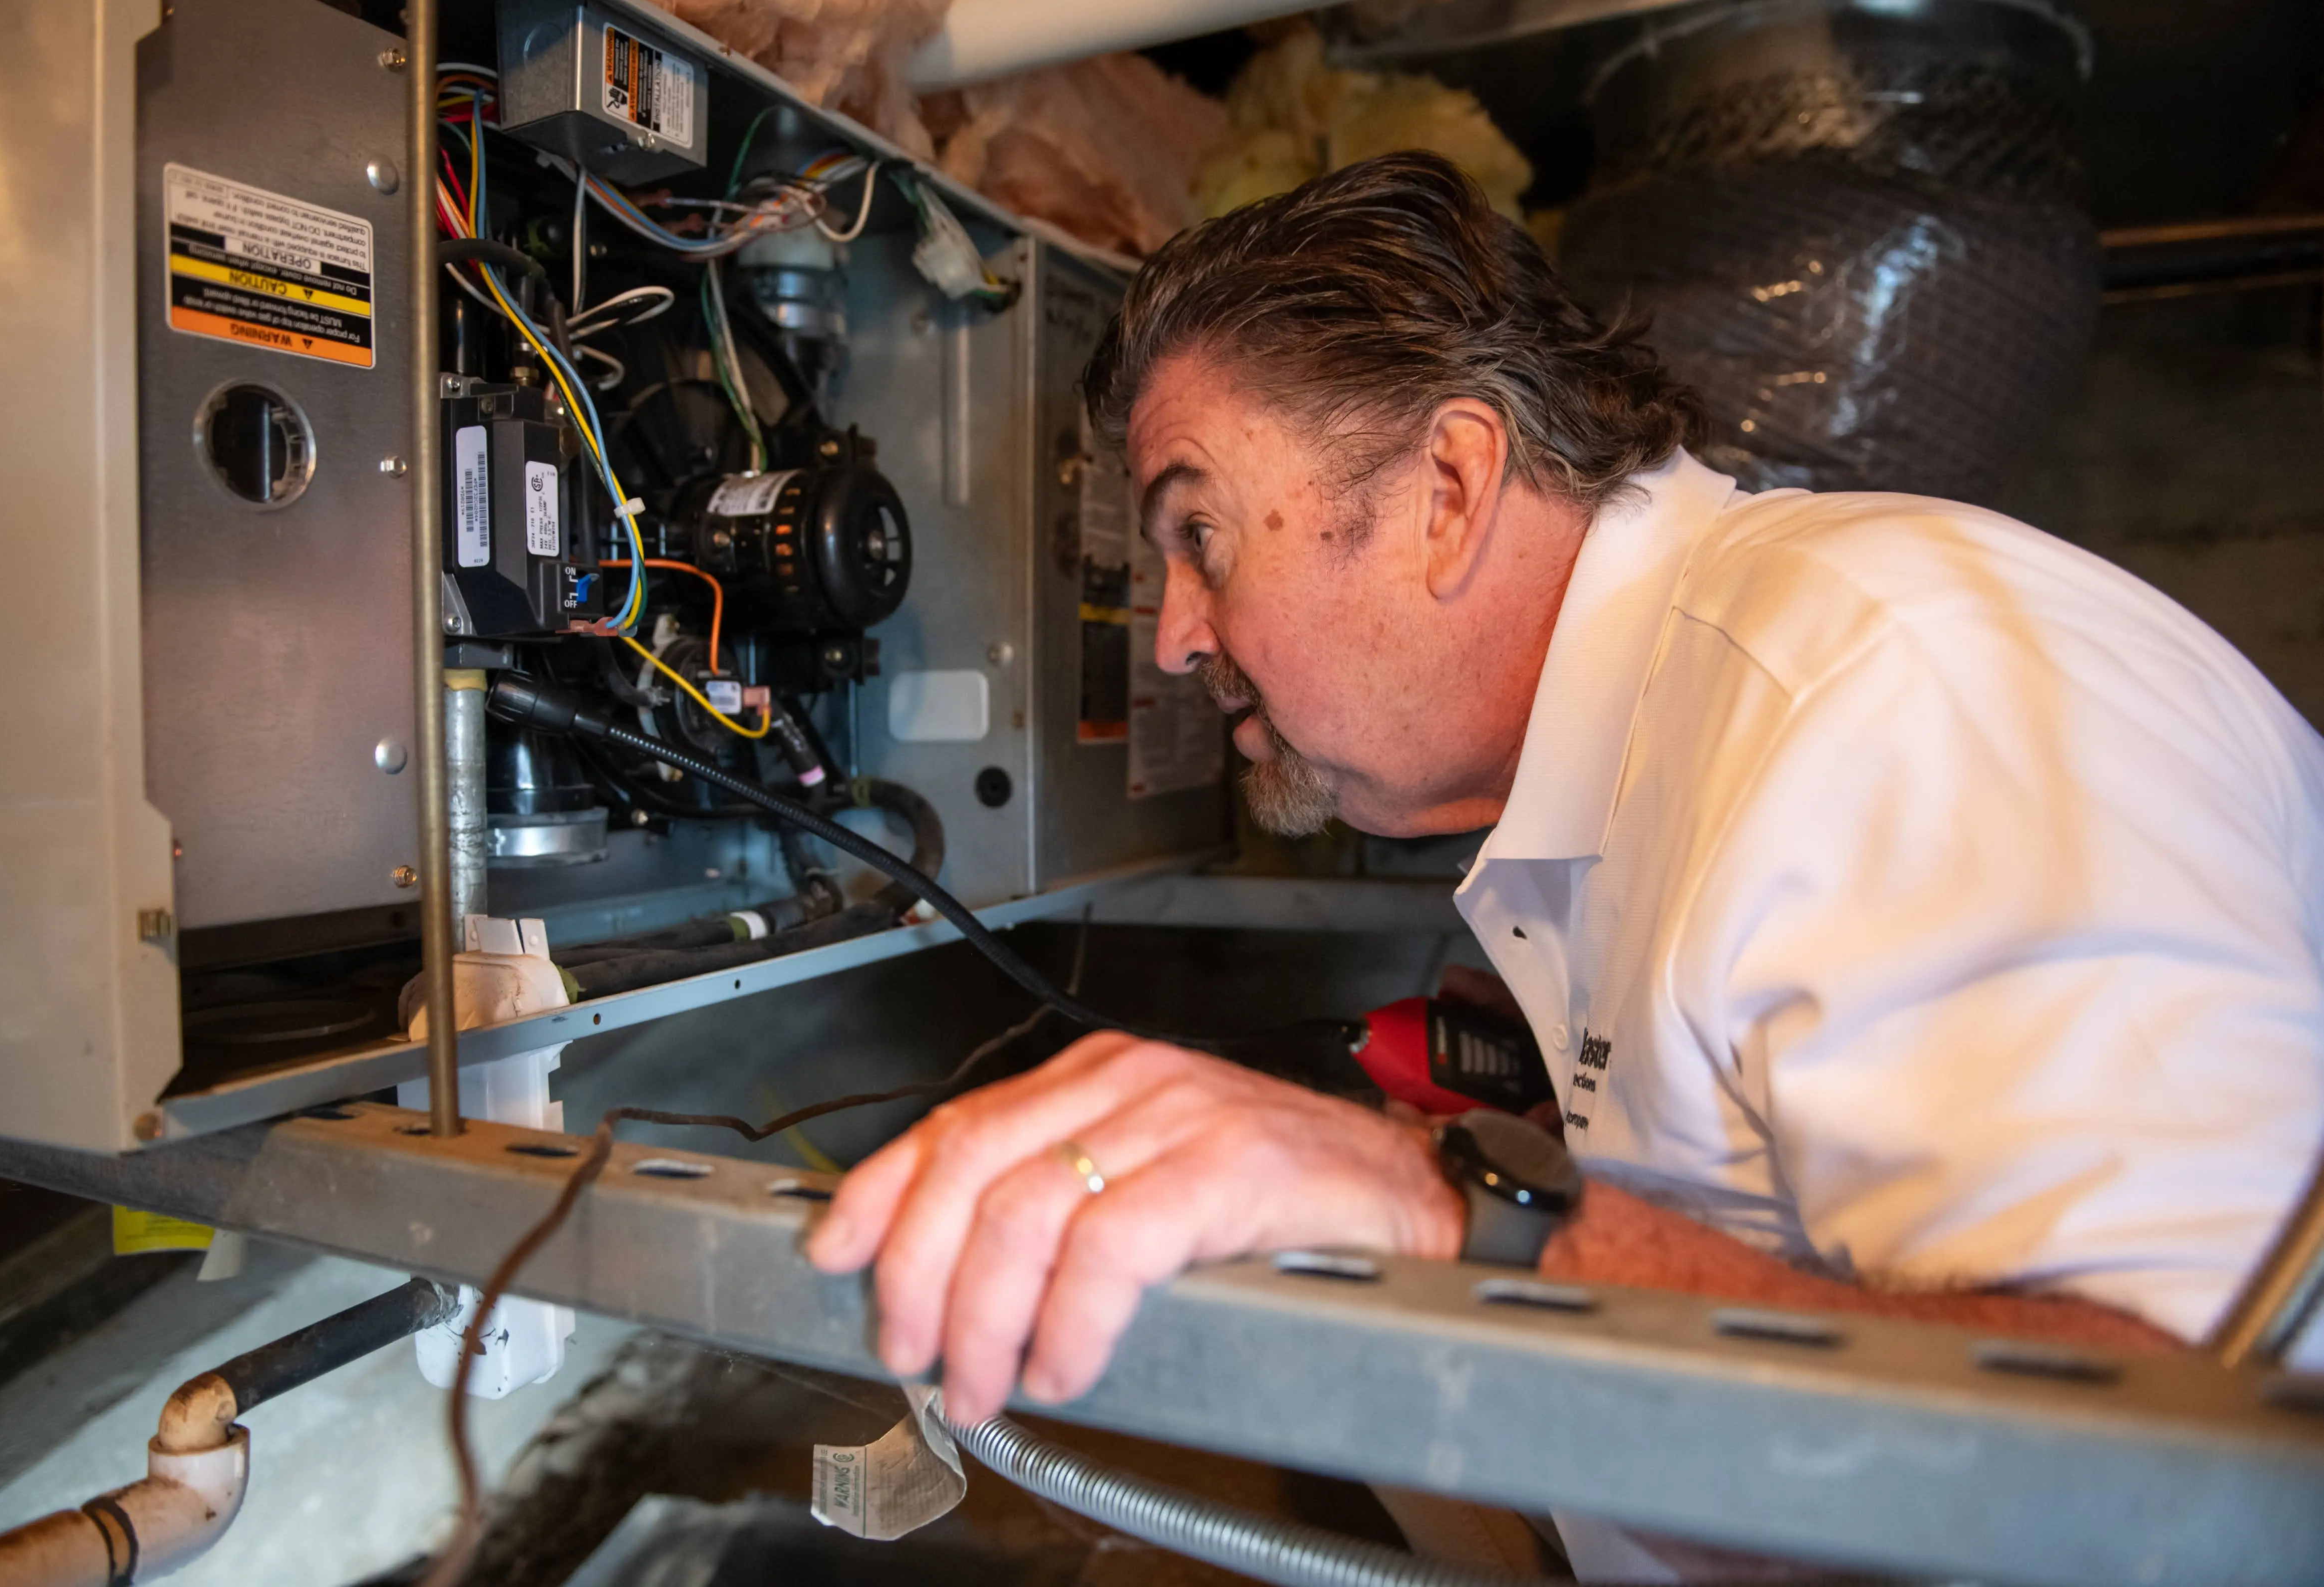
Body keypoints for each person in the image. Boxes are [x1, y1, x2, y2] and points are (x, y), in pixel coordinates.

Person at [805, 152, 2324, 1574]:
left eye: (1200, 532)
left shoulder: (1890, 687)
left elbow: (2210, 1480)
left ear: (1453, 489)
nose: (1182, 635)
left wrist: (1453, 1218)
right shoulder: (1658, 752)